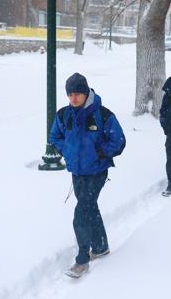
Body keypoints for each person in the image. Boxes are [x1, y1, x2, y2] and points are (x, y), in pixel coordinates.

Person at [49, 73, 125, 278]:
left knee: (81, 211)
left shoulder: (102, 114)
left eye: (77, 94)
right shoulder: (64, 114)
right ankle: (100, 247)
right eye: (70, 94)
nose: (73, 98)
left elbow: (118, 141)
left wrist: (100, 152)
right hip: (77, 172)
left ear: (86, 93)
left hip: (97, 171)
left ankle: (82, 259)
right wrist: (66, 150)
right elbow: (54, 136)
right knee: (90, 206)